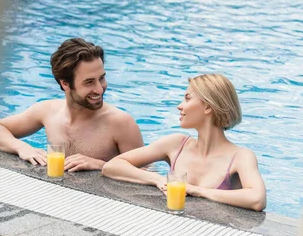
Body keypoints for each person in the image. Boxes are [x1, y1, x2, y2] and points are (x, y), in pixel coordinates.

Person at [102, 73, 266, 211]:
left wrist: (197, 191)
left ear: (208, 107)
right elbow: (112, 166)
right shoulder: (176, 144)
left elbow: (257, 199)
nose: (179, 106)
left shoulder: (240, 157)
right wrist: (158, 179)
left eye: (187, 98)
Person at [0, 38, 144, 171]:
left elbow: (146, 173)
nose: (99, 89)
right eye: (89, 82)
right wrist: (22, 148)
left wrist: (101, 165)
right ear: (65, 84)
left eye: (101, 78)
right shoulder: (48, 111)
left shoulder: (121, 123)